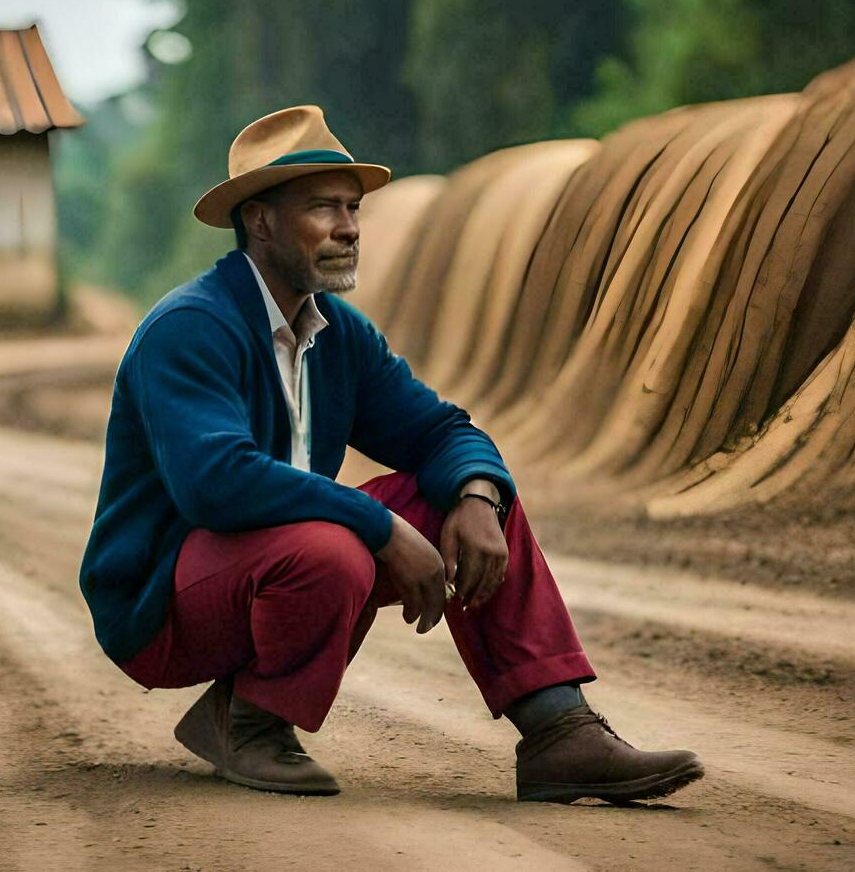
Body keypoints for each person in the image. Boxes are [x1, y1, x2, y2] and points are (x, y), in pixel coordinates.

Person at [79, 105, 704, 803]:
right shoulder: (192, 328)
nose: (348, 227)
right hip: (161, 603)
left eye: (352, 207)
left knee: (467, 493)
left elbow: (442, 432)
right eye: (322, 207)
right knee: (333, 550)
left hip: (263, 563)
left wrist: (474, 494)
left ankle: (559, 732)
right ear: (260, 221)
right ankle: (252, 724)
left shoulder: (338, 333)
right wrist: (381, 528)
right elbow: (215, 485)